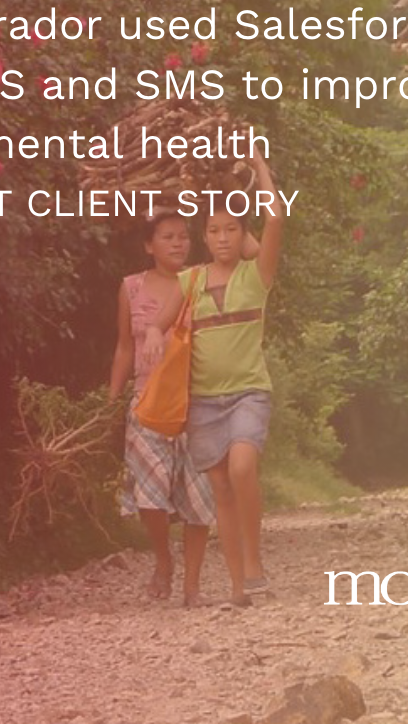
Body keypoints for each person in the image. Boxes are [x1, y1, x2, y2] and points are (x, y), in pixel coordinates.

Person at [141, 154, 283, 607]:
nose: (223, 237)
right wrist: (150, 334)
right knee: (221, 488)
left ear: (245, 237)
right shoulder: (191, 280)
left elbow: (276, 215)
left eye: (232, 230)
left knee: (243, 467)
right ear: (205, 237)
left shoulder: (257, 276)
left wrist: (261, 168)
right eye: (215, 230)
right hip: (203, 401)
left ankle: (255, 562)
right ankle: (240, 586)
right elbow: (158, 320)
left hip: (248, 394)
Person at [109, 209, 216, 606]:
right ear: (148, 246)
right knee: (148, 493)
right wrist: (111, 398)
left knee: (198, 493)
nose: (177, 243)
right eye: (168, 237)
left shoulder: (202, 281)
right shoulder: (131, 288)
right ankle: (163, 560)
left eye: (183, 236)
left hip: (198, 398)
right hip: (147, 399)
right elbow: (124, 346)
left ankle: (192, 586)